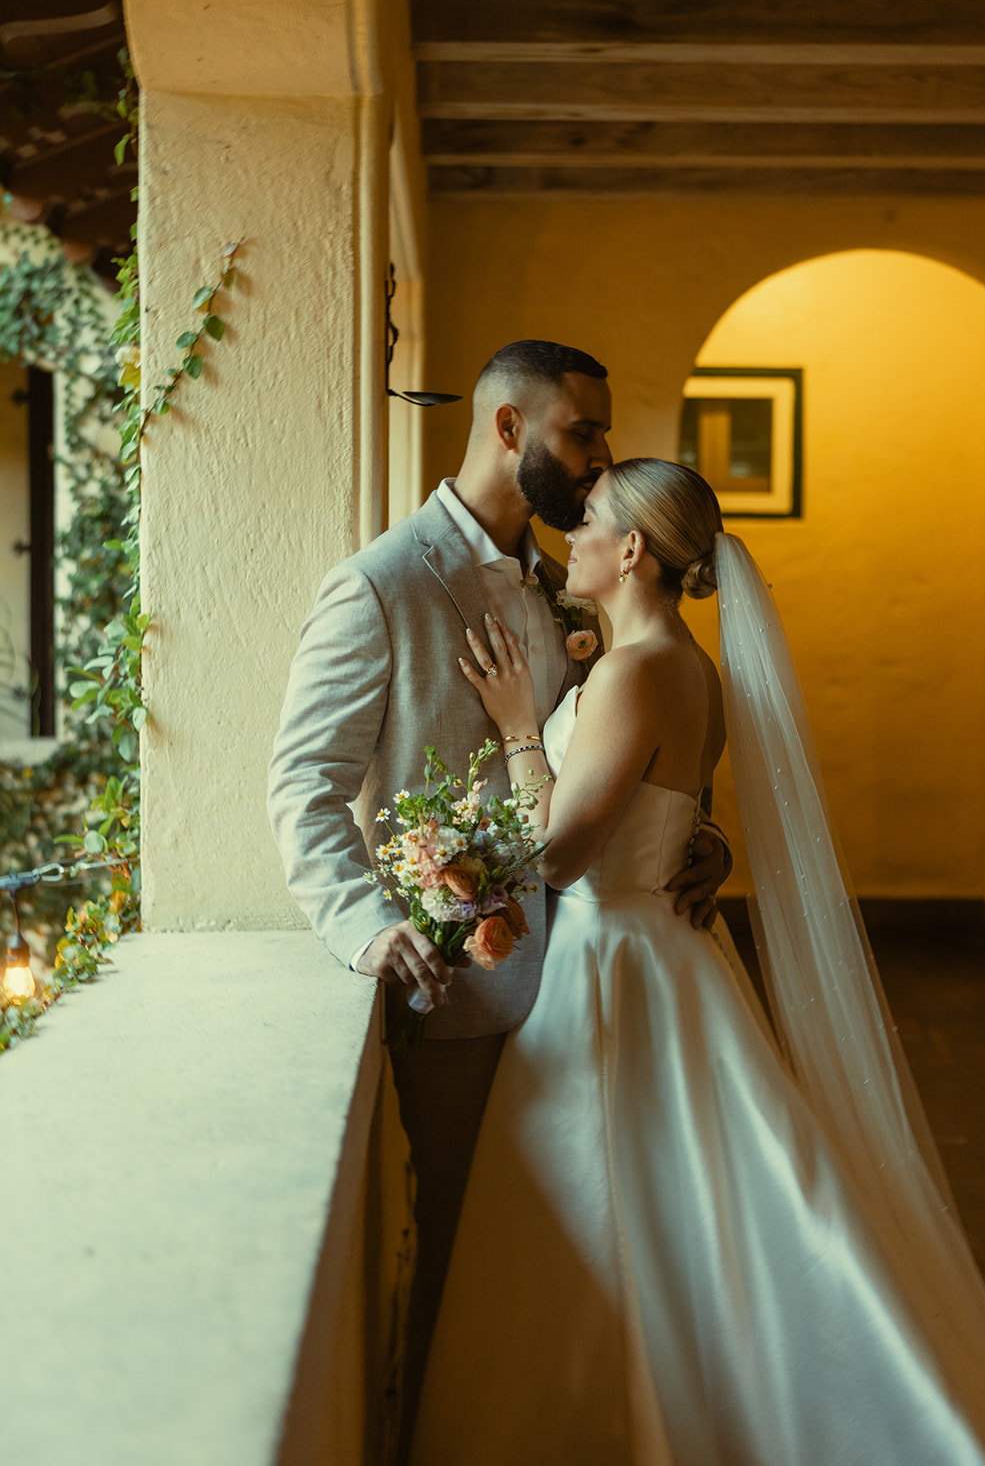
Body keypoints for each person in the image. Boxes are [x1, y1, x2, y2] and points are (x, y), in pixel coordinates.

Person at [410, 458, 985, 1466]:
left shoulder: (634, 672)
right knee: (683, 1209)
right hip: (655, 957)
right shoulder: (677, 665)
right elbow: (670, 818)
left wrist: (513, 730)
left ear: (631, 549)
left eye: (586, 520)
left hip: (616, 968)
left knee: (631, 1204)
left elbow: (562, 854)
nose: (570, 536)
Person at [266, 347, 730, 1448]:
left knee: (604, 1265)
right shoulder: (380, 581)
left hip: (603, 983)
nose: (599, 458)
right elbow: (302, 781)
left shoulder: (570, 577)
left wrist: (694, 834)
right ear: (511, 430)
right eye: (582, 433)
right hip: (472, 1000)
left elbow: (616, 764)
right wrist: (368, 927)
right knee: (475, 1265)